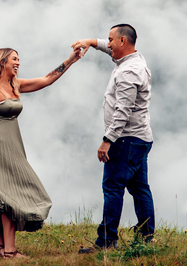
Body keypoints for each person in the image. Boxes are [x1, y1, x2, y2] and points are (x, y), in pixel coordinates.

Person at [0, 47, 81, 259]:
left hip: (12, 146)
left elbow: (46, 80)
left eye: (18, 60)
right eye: (14, 59)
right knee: (7, 196)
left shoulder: (16, 84)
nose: (18, 63)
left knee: (9, 192)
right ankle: (9, 252)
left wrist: (70, 60)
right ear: (2, 61)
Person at [72, 24, 155, 253]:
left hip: (125, 140)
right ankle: (146, 238)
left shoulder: (128, 72)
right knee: (140, 188)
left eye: (110, 40)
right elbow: (111, 50)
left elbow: (123, 110)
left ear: (122, 42)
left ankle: (106, 241)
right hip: (140, 138)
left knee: (112, 187)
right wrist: (91, 41)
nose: (108, 44)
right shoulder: (133, 59)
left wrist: (107, 140)